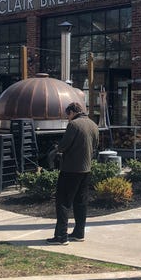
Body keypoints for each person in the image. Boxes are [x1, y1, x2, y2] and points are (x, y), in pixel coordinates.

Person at [46, 102, 99, 245]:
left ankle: (61, 236)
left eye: (67, 115)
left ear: (72, 112)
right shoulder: (93, 125)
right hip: (86, 169)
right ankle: (79, 233)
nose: (68, 118)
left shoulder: (74, 125)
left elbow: (63, 146)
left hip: (70, 169)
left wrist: (57, 148)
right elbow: (95, 146)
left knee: (63, 202)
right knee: (81, 202)